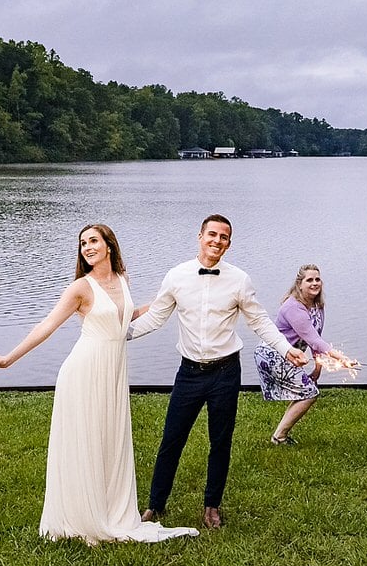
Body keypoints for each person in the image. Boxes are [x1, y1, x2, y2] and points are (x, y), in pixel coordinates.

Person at [0, 224, 198, 544]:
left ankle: (112, 509)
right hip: (84, 372)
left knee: (109, 440)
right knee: (86, 441)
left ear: (109, 245)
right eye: (83, 243)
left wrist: (165, 301)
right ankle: (83, 515)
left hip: (113, 372)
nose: (87, 247)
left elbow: (127, 316)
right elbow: (48, 325)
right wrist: (9, 359)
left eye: (93, 241)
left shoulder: (122, 279)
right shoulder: (80, 288)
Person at [129, 214, 306, 530]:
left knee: (220, 441)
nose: (217, 241)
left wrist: (286, 348)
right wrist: (118, 335)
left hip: (225, 372)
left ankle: (212, 506)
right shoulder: (176, 276)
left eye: (224, 237)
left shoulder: (239, 279)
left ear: (229, 243)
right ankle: (155, 505)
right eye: (212, 234)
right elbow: (155, 318)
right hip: (189, 373)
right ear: (200, 236)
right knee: (172, 438)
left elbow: (259, 321)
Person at [256, 264, 343, 445]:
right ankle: (279, 436)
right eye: (309, 280)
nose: (314, 283)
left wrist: (318, 368)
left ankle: (279, 436)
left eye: (317, 279)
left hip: (293, 356)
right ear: (300, 284)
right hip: (273, 355)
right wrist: (340, 357)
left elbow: (315, 339)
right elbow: (313, 339)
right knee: (309, 393)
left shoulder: (318, 305)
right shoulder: (293, 307)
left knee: (305, 391)